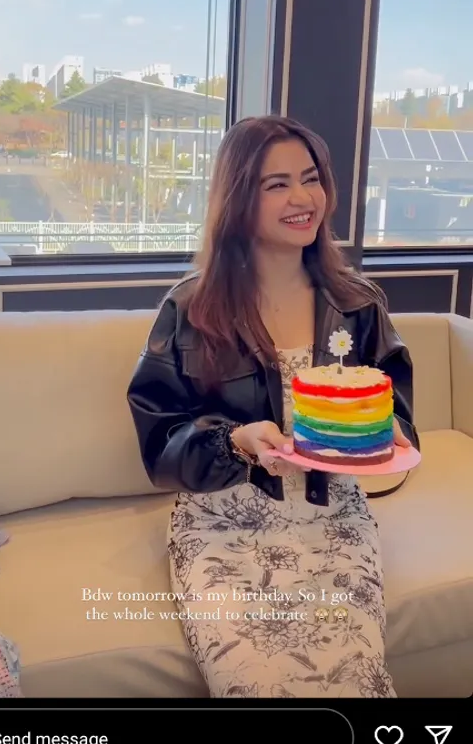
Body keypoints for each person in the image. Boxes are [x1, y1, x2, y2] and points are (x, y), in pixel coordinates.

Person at [127, 115, 419, 698]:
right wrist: (233, 441)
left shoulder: (358, 305)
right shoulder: (190, 308)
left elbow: (396, 419)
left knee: (355, 682)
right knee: (257, 681)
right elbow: (160, 444)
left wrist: (386, 435)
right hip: (221, 526)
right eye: (276, 184)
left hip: (335, 521)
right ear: (239, 198)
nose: (302, 198)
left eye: (311, 179)